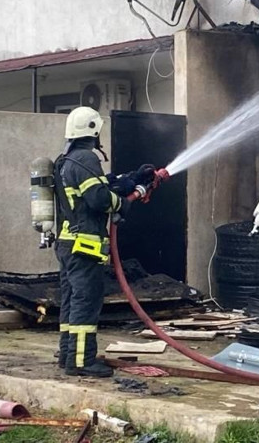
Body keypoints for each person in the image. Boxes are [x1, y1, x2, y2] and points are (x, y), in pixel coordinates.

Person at [53, 106, 154, 377]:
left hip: (67, 243)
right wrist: (123, 203)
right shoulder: (87, 157)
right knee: (86, 302)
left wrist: (132, 179)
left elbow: (101, 185)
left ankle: (68, 356)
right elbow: (99, 199)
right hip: (83, 246)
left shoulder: (67, 160)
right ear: (94, 131)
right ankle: (83, 361)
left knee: (72, 301)